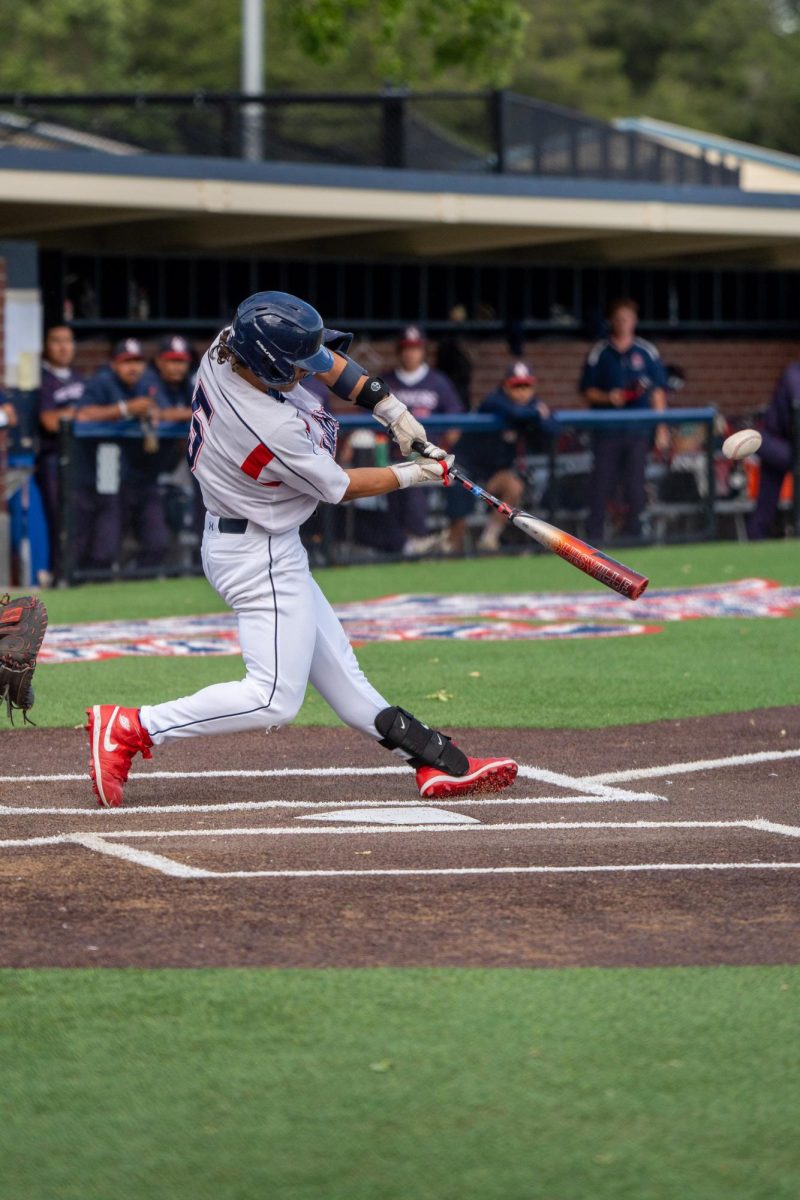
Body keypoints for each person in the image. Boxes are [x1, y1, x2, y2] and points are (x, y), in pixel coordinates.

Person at [86, 291, 518, 807]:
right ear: (266, 364)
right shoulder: (266, 427)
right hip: (255, 554)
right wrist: (416, 473)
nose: (307, 372)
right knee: (273, 698)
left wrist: (388, 406)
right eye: (293, 367)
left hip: (264, 541)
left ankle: (437, 762)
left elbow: (327, 360)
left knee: (346, 681)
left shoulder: (232, 343)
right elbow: (338, 486)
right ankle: (132, 727)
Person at [579, 298, 669, 543]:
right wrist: (609, 397)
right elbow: (587, 390)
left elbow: (658, 391)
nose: (623, 324)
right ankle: (594, 537)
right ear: (612, 321)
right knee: (601, 483)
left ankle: (635, 535)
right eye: (618, 319)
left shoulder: (646, 352)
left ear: (635, 321)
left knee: (635, 485)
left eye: (627, 319)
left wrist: (661, 428)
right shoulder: (600, 352)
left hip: (637, 430)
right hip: (607, 430)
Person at [447, 361, 552, 553]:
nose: (522, 391)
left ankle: (489, 538)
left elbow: (552, 427)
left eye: (526, 386)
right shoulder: (494, 400)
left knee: (514, 486)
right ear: (505, 385)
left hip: (492, 475)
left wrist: (535, 414)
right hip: (465, 470)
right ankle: (451, 551)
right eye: (516, 385)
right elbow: (514, 413)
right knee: (459, 511)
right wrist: (537, 412)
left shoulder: (531, 406)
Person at [74, 339, 157, 573]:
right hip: (90, 464)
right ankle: (75, 577)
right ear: (114, 364)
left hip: (120, 466)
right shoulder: (102, 382)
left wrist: (153, 415)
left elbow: (157, 411)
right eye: (127, 362)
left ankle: (103, 573)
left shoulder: (145, 383)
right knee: (83, 533)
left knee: (110, 532)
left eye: (138, 361)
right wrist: (124, 409)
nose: (133, 367)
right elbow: (82, 416)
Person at [383, 325, 463, 554]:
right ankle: (402, 546)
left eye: (416, 348)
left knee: (414, 491)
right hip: (391, 456)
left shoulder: (438, 381)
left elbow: (456, 422)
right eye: (406, 348)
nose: (411, 353)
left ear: (423, 351)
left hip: (428, 460)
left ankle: (418, 543)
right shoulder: (387, 381)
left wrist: (444, 448)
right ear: (399, 351)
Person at [36, 325, 86, 576]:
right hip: (54, 459)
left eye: (68, 340)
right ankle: (60, 574)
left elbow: (94, 417)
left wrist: (78, 415)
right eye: (56, 341)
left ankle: (77, 571)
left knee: (79, 517)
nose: (63, 347)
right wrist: (81, 414)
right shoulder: (42, 379)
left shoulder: (78, 378)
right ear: (46, 345)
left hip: (80, 458)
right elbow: (50, 421)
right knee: (59, 519)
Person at [747, 359, 798, 539]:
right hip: (775, 443)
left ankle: (757, 535)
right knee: (766, 505)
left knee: (765, 507)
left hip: (787, 446)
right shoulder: (794, 374)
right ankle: (755, 543)